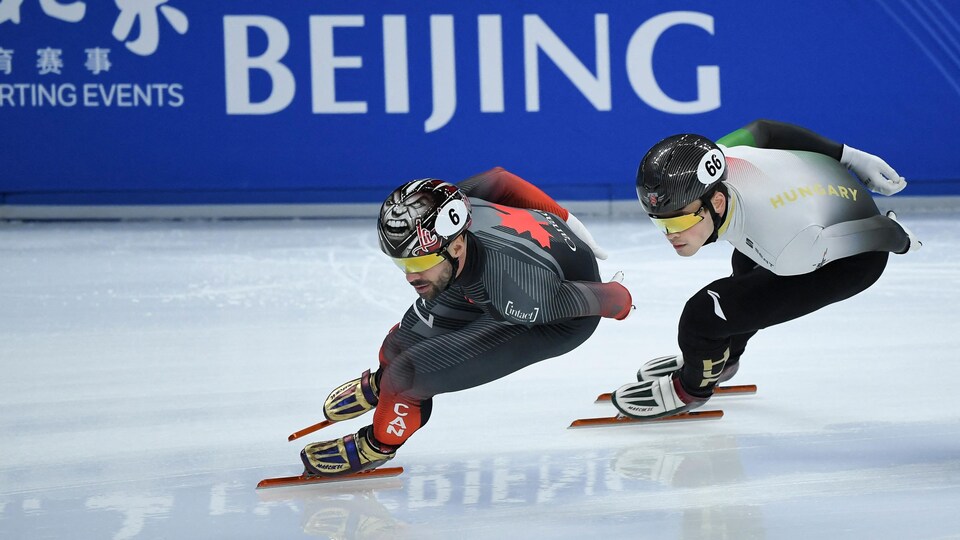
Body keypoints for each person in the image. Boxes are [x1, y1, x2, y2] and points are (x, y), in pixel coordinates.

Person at [301, 167, 633, 476]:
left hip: (552, 317)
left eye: (423, 261)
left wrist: (618, 299)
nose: (412, 276)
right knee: (395, 348)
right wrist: (568, 220)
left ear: (458, 243)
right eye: (402, 263)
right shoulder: (449, 206)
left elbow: (602, 301)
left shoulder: (514, 288)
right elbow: (502, 180)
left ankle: (378, 446)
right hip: (490, 273)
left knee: (405, 379)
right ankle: (382, 384)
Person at [612, 119, 921, 419]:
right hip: (810, 200)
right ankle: (722, 357)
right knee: (743, 269)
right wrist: (850, 157)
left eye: (678, 221)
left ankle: (691, 389)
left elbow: (868, 235)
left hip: (850, 256)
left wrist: (899, 237)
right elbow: (765, 130)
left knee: (704, 316)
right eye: (659, 221)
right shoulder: (719, 160)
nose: (670, 235)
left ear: (717, 203)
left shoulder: (789, 246)